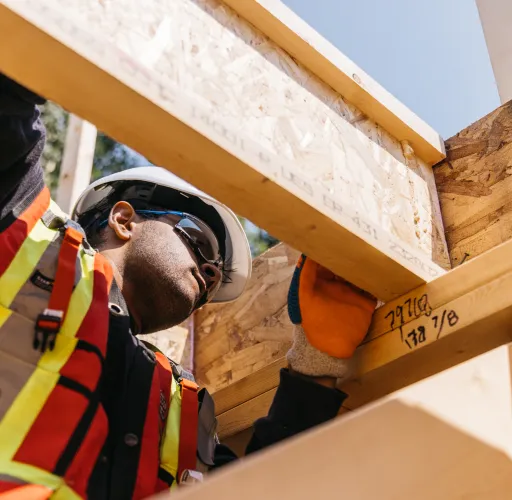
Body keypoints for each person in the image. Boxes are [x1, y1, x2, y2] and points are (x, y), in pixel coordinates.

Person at [0, 73, 377, 499]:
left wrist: (316, 363)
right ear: (124, 221)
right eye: (198, 242)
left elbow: (262, 490)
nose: (209, 275)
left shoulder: (185, 411)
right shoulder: (20, 234)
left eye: (215, 277)